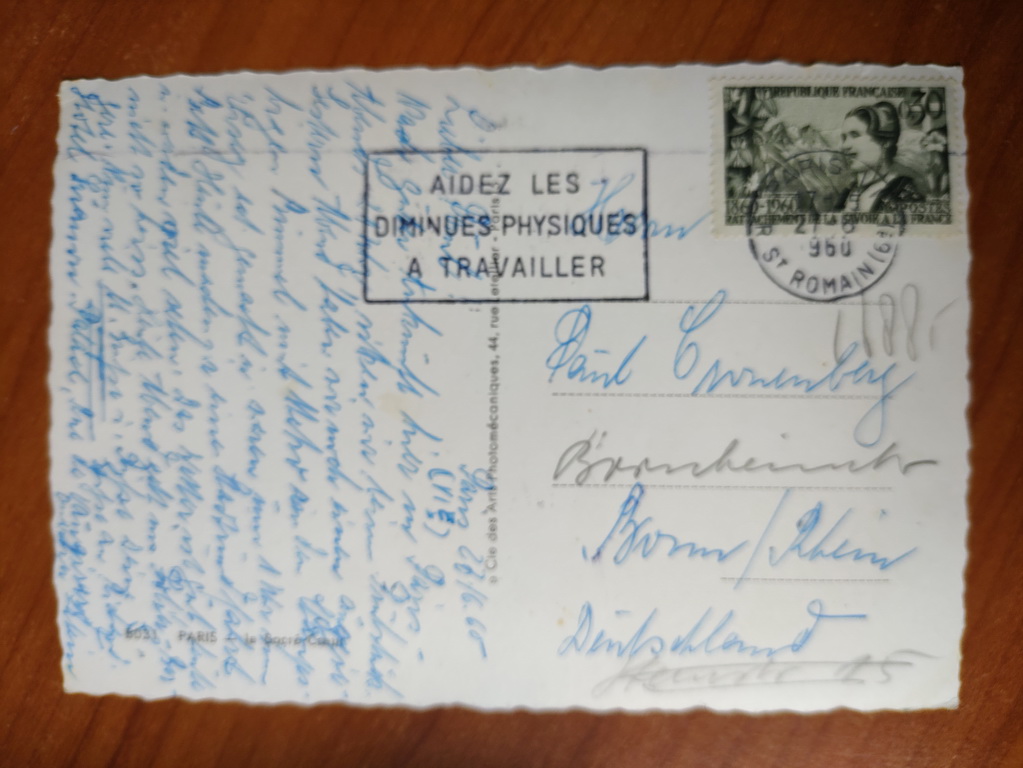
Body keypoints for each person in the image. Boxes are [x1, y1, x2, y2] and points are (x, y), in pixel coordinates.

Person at [838, 101, 924, 213]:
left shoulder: (903, 193)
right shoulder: (846, 194)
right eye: (844, 138)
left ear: (885, 142)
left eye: (855, 135)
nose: (844, 146)